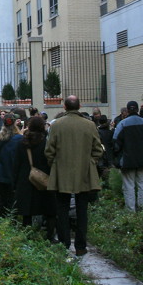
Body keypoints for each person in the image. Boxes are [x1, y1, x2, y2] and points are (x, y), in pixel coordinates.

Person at [45, 95, 103, 256]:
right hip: (84, 172)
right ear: (80, 106)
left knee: (61, 209)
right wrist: (90, 162)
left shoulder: (57, 125)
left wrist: (55, 164)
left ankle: (64, 243)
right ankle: (80, 246)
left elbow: (49, 150)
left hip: (61, 171)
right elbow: (98, 149)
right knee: (82, 210)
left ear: (64, 107)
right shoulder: (90, 125)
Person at [14, 116, 57, 240]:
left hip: (25, 179)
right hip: (44, 179)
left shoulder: (22, 142)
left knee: (27, 210)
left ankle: (27, 236)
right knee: (50, 209)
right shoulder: (46, 142)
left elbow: (16, 163)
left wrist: (15, 182)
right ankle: (50, 236)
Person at [113, 101, 143, 212]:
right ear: (138, 110)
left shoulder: (122, 124)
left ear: (127, 110)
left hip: (127, 160)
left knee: (129, 186)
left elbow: (115, 143)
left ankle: (131, 212)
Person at [0, 113, 23, 218]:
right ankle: (11, 222)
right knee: (12, 200)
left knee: (2, 199)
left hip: (0, 172)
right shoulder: (19, 139)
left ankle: (0, 221)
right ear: (15, 123)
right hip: (12, 173)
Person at [96, 115, 114, 186]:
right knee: (108, 177)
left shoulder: (97, 133)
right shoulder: (110, 132)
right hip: (110, 157)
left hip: (101, 157)